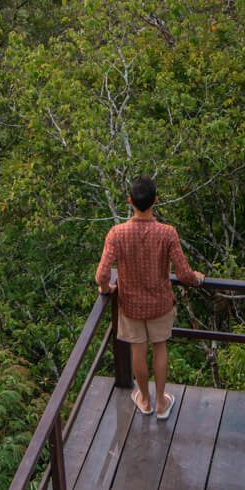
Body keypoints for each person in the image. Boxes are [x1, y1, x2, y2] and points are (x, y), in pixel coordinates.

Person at [96, 176, 203, 420]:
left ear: (129, 200)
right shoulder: (167, 233)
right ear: (156, 200)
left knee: (138, 350)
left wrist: (105, 289)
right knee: (160, 348)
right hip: (160, 304)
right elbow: (184, 273)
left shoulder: (117, 233)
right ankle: (162, 403)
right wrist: (197, 278)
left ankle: (144, 400)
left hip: (130, 305)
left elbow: (102, 274)